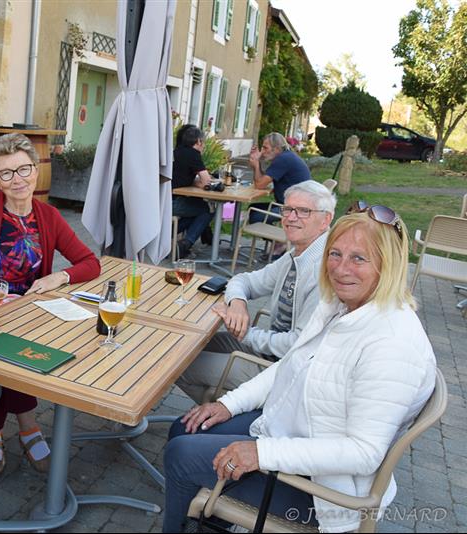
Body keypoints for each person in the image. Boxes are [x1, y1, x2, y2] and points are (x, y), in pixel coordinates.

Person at [163, 203, 436, 533]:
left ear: (387, 265)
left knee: (181, 454)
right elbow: (289, 366)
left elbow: (363, 453)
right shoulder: (342, 306)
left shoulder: (392, 341)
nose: (340, 268)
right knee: (186, 428)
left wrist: (261, 453)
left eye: (358, 258)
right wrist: (228, 404)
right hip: (296, 432)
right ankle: (209, 518)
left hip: (325, 494)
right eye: (335, 254)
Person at [0, 133, 101, 478]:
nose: (18, 180)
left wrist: (58, 278)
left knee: (39, 347)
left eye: (24, 169)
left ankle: (18, 427)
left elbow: (90, 263)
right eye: (7, 173)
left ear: (37, 169)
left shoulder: (49, 216)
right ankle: (2, 429)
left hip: (26, 312)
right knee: (3, 356)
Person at [176, 181, 335, 402]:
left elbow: (298, 345)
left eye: (304, 211)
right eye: (287, 209)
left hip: (282, 370)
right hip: (267, 350)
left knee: (175, 364)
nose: (290, 217)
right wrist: (238, 304)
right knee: (187, 346)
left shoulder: (324, 270)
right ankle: (224, 407)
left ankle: (228, 411)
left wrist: (247, 333)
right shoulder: (297, 255)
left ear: (325, 219)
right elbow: (244, 280)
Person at [247, 132, 312, 235]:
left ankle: (281, 243)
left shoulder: (283, 159)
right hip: (297, 205)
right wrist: (257, 163)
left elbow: (259, 184)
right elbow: (262, 180)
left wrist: (256, 165)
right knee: (255, 209)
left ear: (276, 149)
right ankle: (280, 243)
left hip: (294, 209)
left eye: (265, 148)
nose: (262, 152)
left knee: (255, 215)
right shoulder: (286, 156)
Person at [172, 124, 214, 259]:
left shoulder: (177, 151)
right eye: (203, 143)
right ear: (199, 142)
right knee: (207, 210)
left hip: (164, 200)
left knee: (197, 210)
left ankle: (169, 235)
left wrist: (198, 183)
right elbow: (207, 181)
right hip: (175, 203)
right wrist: (204, 183)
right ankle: (185, 244)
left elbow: (187, 178)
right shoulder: (193, 154)